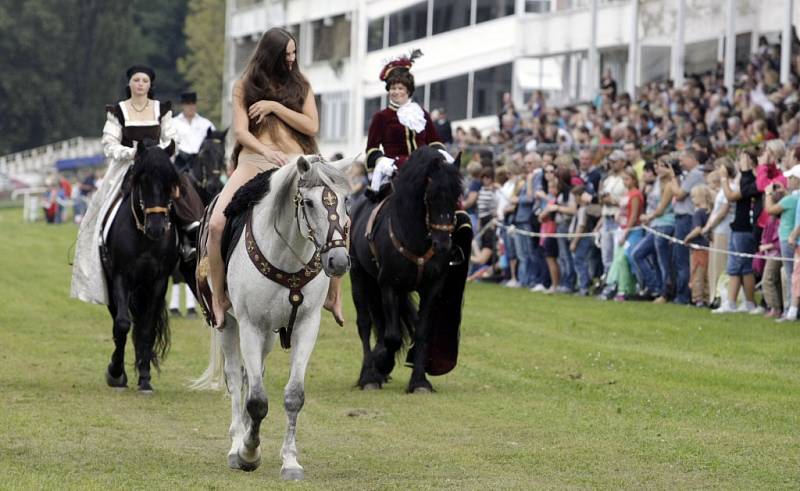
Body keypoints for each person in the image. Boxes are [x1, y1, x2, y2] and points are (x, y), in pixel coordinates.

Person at [204, 28, 340, 329]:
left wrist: (275, 107)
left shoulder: (301, 84)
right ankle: (218, 297)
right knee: (215, 226)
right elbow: (240, 132)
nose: (292, 59)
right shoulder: (244, 86)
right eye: (286, 54)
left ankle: (333, 294)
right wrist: (265, 149)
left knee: (339, 215)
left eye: (294, 53)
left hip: (295, 162)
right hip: (253, 161)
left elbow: (312, 126)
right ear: (271, 55)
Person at [71, 65, 204, 305]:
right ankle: (100, 243)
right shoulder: (117, 111)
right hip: (128, 165)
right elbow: (109, 143)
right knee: (103, 205)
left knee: (182, 188)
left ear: (150, 85)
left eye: (144, 80)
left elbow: (173, 138)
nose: (140, 84)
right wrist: (132, 153)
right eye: (136, 80)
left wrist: (157, 156)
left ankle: (189, 239)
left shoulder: (161, 109)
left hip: (158, 163)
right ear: (130, 84)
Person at [365, 49, 450, 192]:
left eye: (400, 88)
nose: (396, 92)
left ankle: (459, 214)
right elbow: (372, 149)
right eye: (392, 88)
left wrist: (438, 156)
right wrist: (382, 161)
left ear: (408, 90)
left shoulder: (421, 113)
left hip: (424, 166)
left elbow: (434, 141)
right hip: (395, 169)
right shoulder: (381, 117)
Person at [683, 185, 714, 307]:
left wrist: (687, 238)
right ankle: (707, 297)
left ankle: (698, 298)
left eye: (693, 197)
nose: (692, 199)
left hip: (698, 248)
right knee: (707, 273)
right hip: (708, 247)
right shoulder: (710, 212)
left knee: (697, 273)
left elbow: (697, 229)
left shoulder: (698, 214)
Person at [173, 91, 216, 173]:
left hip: (202, 164)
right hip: (180, 163)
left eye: (193, 103)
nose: (191, 106)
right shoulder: (173, 123)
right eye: (188, 104)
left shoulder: (207, 124)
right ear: (183, 105)